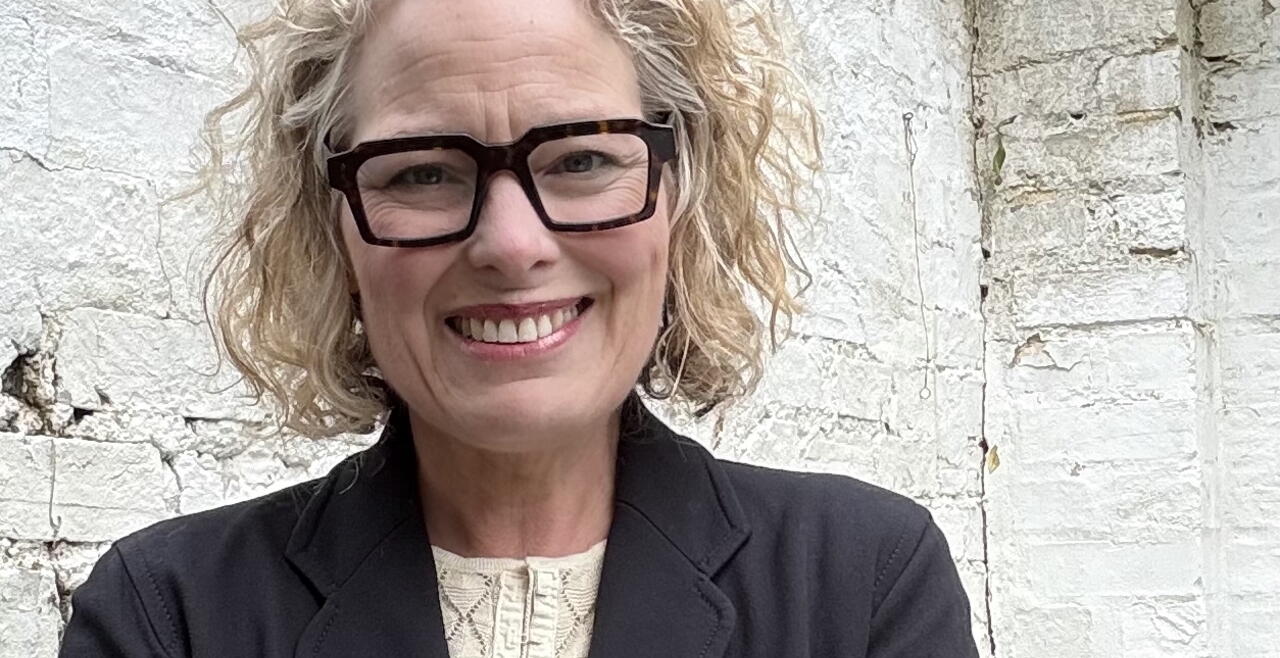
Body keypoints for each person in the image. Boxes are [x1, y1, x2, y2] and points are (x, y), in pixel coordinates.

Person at [59, 0, 980, 655]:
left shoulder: (861, 584)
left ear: (679, 200)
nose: (510, 243)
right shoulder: (168, 617)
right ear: (332, 226)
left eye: (582, 158)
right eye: (421, 172)